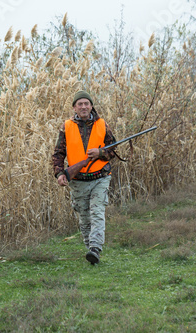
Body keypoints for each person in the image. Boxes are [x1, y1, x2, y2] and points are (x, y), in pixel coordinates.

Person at [52, 90, 118, 265]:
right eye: (79, 104)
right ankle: (91, 252)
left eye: (86, 103)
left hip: (100, 177)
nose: (83, 107)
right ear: (74, 107)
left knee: (97, 212)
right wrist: (59, 174)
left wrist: (101, 152)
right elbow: (58, 153)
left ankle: (95, 248)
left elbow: (113, 149)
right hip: (78, 181)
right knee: (84, 217)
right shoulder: (66, 127)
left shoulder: (102, 124)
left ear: (91, 106)